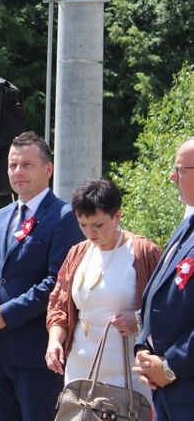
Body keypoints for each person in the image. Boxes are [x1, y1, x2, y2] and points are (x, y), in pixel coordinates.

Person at [0, 131, 84, 421]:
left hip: (36, 356)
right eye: (13, 165)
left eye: (27, 165)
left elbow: (56, 283)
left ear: (48, 169)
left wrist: (4, 315)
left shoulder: (64, 217)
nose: (18, 172)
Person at [45, 179, 161, 400]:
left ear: (117, 216)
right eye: (83, 225)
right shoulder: (77, 252)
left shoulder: (144, 252)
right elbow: (59, 304)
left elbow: (167, 307)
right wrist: (55, 341)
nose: (90, 232)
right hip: (80, 367)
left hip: (128, 372)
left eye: (98, 225)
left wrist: (137, 320)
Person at [133, 138, 194, 420]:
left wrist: (171, 366)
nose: (172, 177)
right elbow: (158, 292)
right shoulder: (188, 224)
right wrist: (144, 347)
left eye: (180, 170)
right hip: (170, 392)